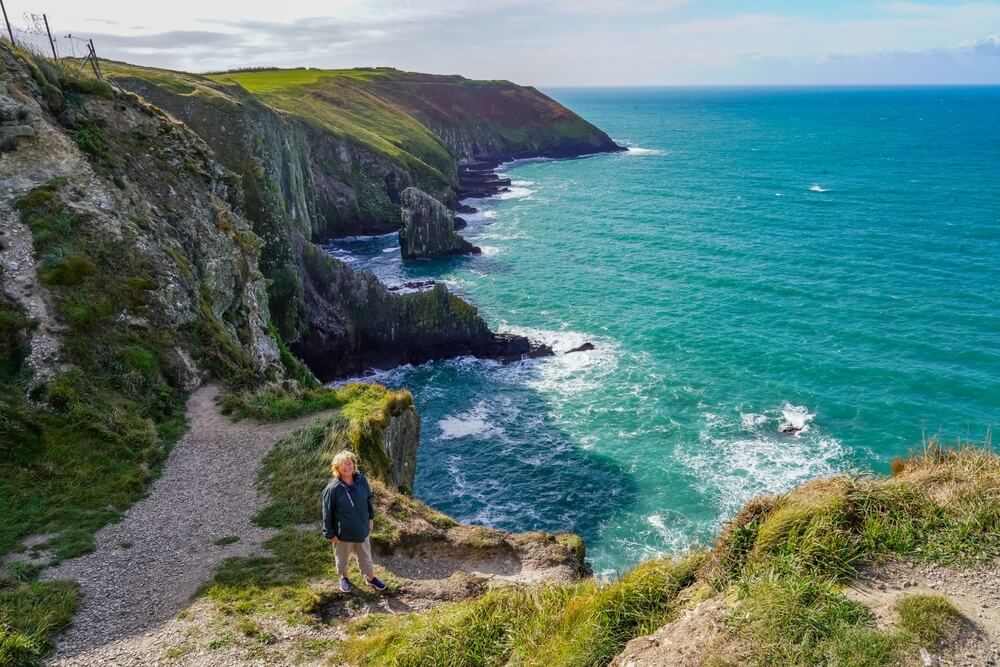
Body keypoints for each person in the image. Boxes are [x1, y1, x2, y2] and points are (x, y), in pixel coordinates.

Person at [322, 450, 386, 593]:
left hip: (362, 529)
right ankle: (344, 578)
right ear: (337, 468)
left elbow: (368, 500)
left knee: (365, 556)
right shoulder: (332, 489)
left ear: (354, 464)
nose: (347, 467)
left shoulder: (361, 480)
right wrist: (330, 534)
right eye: (343, 465)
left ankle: (370, 578)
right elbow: (327, 513)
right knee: (342, 559)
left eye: (349, 463)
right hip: (342, 534)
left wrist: (371, 517)